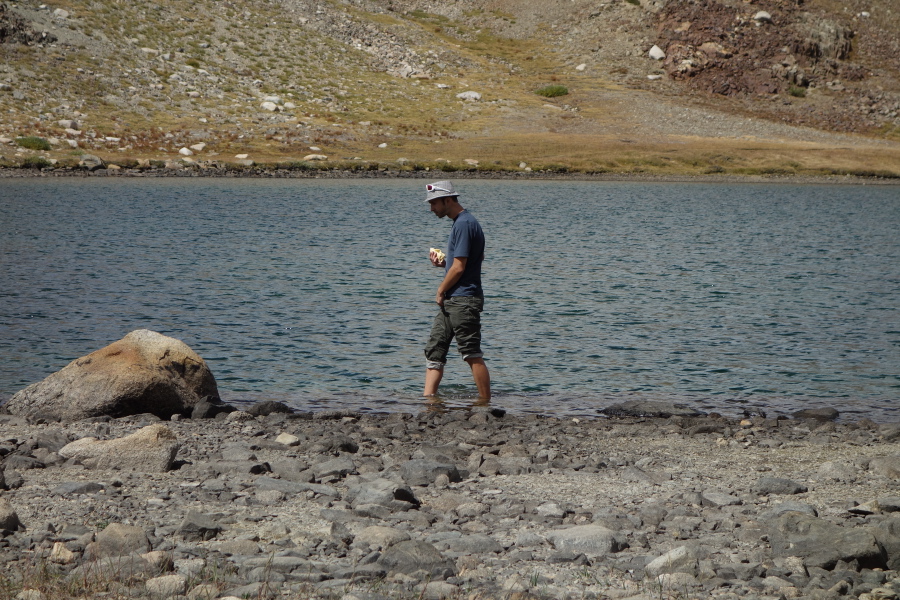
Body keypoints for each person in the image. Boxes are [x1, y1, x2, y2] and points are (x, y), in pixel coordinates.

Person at [423, 180, 491, 400]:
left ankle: (484, 403)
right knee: (435, 349)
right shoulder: (464, 222)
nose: (431, 208)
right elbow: (472, 260)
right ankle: (428, 400)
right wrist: (444, 264)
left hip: (463, 299)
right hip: (454, 298)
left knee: (471, 353)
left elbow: (460, 267)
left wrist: (440, 289)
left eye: (434, 203)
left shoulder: (463, 223)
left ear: (448, 200)